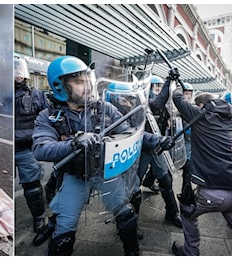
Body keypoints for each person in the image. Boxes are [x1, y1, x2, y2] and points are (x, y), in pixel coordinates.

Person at [32, 55, 175, 255]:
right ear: (61, 86)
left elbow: (128, 131)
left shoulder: (104, 108)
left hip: (104, 173)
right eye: (79, 82)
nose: (88, 86)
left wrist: (157, 141)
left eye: (87, 80)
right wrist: (72, 144)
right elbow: (40, 148)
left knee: (126, 216)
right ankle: (53, 228)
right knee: (64, 230)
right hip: (75, 176)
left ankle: (133, 253)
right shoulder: (48, 116)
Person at [170, 76, 232, 256]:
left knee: (187, 211)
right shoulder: (229, 121)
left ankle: (190, 251)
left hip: (211, 194)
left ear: (200, 107)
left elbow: (177, 99)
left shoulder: (201, 116)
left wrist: (175, 85)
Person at [136, 74, 182, 228]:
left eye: (159, 88)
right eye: (155, 87)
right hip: (141, 150)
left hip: (158, 148)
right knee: (134, 184)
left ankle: (172, 214)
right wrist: (169, 81)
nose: (157, 91)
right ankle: (130, 220)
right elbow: (156, 102)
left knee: (166, 181)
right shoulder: (140, 103)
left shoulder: (163, 107)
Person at [14, 57, 51, 237]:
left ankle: (39, 216)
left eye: (18, 71)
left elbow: (49, 119)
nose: (15, 75)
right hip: (9, 146)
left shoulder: (36, 95)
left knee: (32, 187)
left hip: (25, 149)